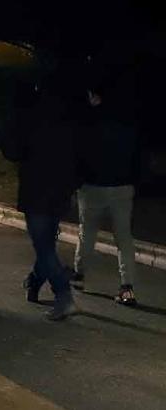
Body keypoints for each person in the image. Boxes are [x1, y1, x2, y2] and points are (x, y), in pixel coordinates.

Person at [3, 74, 82, 321]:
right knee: (46, 243)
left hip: (37, 190)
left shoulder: (30, 116)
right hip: (59, 191)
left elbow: (13, 150)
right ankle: (35, 281)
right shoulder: (70, 119)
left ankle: (63, 294)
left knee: (44, 246)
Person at [73, 79, 140, 306]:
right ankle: (127, 286)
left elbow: (80, 154)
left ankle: (80, 275)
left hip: (93, 185)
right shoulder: (127, 122)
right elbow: (137, 156)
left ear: (94, 96)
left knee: (87, 232)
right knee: (124, 237)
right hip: (122, 186)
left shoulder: (88, 122)